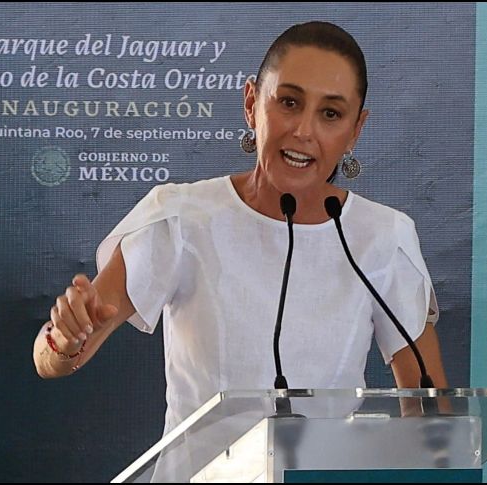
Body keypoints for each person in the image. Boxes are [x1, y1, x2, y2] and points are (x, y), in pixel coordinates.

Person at [33, 21, 448, 436]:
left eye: (330, 114)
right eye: (288, 102)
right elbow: (54, 357)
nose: (304, 131)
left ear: (355, 129)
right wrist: (65, 341)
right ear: (251, 103)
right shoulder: (181, 216)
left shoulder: (384, 236)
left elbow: (432, 419)